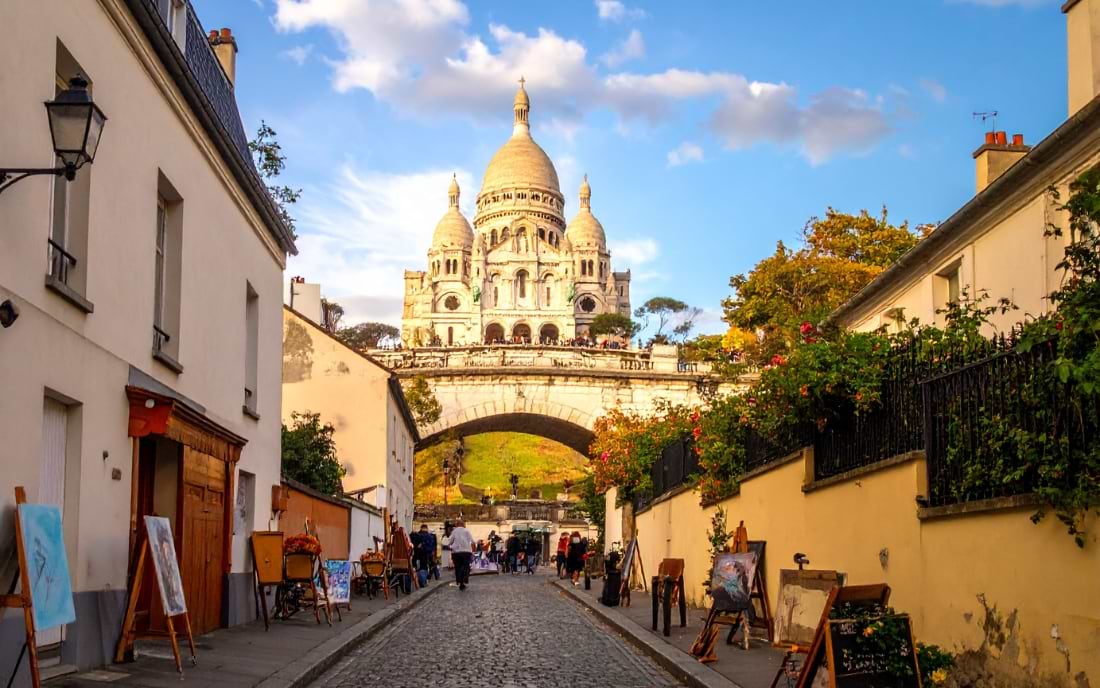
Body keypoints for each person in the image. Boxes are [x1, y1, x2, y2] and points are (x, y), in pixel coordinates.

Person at [449, 519, 475, 590]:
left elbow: (449, 541)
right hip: (466, 552)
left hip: (456, 552)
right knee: (466, 566)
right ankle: (464, 579)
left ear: (457, 525)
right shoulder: (467, 531)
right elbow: (472, 541)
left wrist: (451, 546)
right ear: (463, 524)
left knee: (458, 567)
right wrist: (473, 551)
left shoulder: (454, 531)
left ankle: (460, 582)